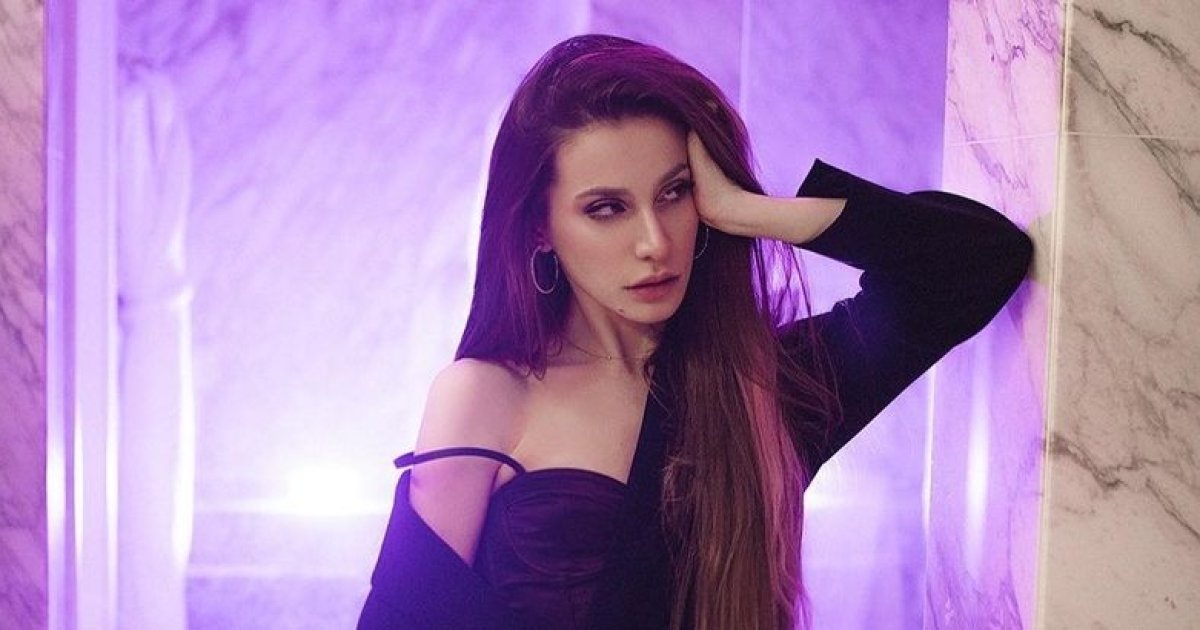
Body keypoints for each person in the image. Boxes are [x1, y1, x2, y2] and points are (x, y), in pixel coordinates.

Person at [357, 34, 1032, 630]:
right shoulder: (486, 395)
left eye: (674, 193)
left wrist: (751, 211)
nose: (654, 241)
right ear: (539, 226)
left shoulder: (767, 392)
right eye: (607, 208)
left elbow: (980, 261)